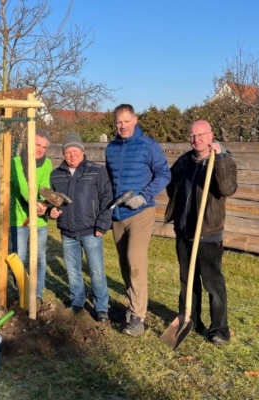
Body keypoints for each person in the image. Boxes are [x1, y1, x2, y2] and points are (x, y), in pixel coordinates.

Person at [164, 120, 237, 346]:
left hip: (208, 234)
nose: (196, 139)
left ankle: (219, 330)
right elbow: (170, 183)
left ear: (211, 135)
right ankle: (191, 320)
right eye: (192, 135)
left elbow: (227, 188)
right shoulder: (185, 160)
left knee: (213, 283)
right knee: (187, 281)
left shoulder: (222, 160)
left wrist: (220, 158)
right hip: (184, 231)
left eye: (201, 135)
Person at [105, 104, 171, 336]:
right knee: (125, 265)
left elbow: (164, 173)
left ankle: (137, 317)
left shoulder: (148, 145)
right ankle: (132, 305)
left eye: (126, 121)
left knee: (135, 261)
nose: (122, 126)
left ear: (135, 120)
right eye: (118, 122)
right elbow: (109, 179)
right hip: (118, 214)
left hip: (141, 212)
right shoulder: (111, 148)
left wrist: (144, 196)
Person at [50, 132, 113, 323]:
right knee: (72, 271)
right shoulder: (56, 174)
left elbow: (107, 199)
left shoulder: (96, 171)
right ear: (63, 154)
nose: (72, 155)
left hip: (91, 230)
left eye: (75, 151)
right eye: (68, 151)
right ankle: (77, 301)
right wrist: (52, 211)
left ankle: (101, 307)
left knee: (96, 271)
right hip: (67, 231)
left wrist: (102, 225)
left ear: (82, 152)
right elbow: (53, 201)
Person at [10, 130, 52, 306]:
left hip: (39, 220)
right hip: (20, 218)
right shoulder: (15, 162)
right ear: (29, 144)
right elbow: (22, 186)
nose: (40, 149)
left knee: (40, 257)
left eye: (44, 147)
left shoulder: (47, 163)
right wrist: (34, 202)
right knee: (19, 258)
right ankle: (22, 293)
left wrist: (43, 205)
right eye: (37, 145)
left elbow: (45, 186)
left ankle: (37, 293)